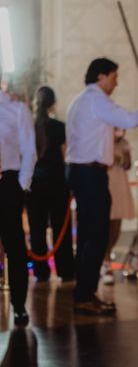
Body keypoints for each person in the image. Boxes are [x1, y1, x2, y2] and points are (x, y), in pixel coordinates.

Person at [66, 58, 138, 315]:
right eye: (114, 77)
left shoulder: (80, 100)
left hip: (81, 172)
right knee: (97, 236)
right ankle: (85, 295)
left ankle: (83, 292)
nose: (116, 82)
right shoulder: (96, 100)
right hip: (91, 174)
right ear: (101, 77)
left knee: (87, 237)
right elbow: (127, 119)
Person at [26, 86, 75, 283]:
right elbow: (66, 156)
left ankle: (40, 271)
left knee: (36, 228)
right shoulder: (59, 126)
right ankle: (65, 269)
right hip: (57, 184)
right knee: (60, 228)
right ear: (53, 103)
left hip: (33, 185)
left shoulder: (29, 126)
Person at [0, 84, 36, 326]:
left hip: (7, 182)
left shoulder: (15, 108)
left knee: (14, 245)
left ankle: (19, 306)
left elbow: (29, 149)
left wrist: (20, 184)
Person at [101, 129, 135, 285]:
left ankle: (109, 252)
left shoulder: (123, 144)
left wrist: (121, 158)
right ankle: (105, 259)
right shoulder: (102, 141)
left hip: (119, 184)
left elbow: (128, 164)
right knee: (105, 224)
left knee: (117, 224)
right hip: (106, 184)